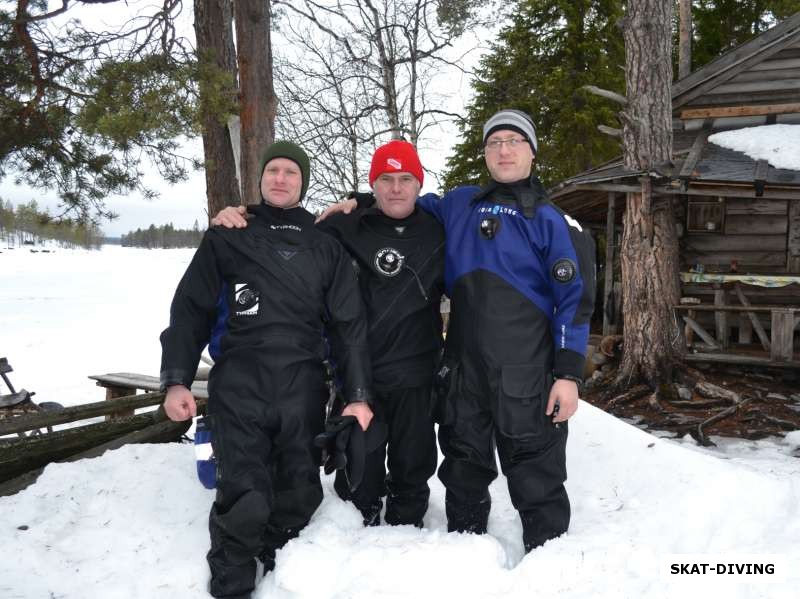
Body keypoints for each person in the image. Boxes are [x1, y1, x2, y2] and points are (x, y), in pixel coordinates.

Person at [329, 109, 596, 552]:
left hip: (526, 370)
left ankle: (550, 564)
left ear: (532, 151)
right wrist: (357, 200)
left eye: (514, 141)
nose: (504, 150)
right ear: (485, 152)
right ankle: (465, 553)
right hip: (464, 368)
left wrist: (568, 374)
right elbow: (401, 200)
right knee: (464, 464)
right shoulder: (459, 203)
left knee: (534, 469)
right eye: (495, 142)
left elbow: (575, 301)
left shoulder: (555, 221)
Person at [160, 140, 373, 599]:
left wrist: (356, 393)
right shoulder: (229, 234)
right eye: (273, 170)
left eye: (290, 172)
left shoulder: (324, 243)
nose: (280, 178)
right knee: (244, 491)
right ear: (260, 178)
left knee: (298, 488)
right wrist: (176, 378)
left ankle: (284, 578)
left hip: (303, 385)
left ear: (303, 182)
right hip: (240, 383)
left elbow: (348, 326)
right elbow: (190, 310)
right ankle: (232, 584)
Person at [213, 140, 445, 529]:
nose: (396, 188)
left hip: (417, 375)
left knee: (413, 466)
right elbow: (286, 229)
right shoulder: (343, 225)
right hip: (360, 375)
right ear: (373, 184)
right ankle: (357, 536)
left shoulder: (440, 231)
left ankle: (409, 538)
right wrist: (240, 214)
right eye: (385, 179)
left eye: (406, 179)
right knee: (359, 476)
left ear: (419, 183)